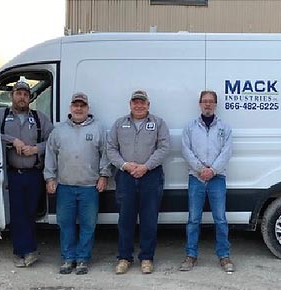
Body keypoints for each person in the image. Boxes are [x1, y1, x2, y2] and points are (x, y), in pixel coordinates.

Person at [44, 92, 112, 275]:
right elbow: (50, 156)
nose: (79, 108)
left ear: (88, 108)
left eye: (82, 105)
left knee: (88, 225)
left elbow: (105, 155)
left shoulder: (98, 129)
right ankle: (68, 259)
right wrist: (49, 178)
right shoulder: (58, 131)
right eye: (76, 105)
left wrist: (104, 175)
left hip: (89, 187)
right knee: (65, 224)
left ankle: (82, 259)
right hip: (65, 186)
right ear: (70, 108)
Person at [107, 90, 170, 274]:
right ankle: (124, 258)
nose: (139, 105)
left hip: (151, 175)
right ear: (130, 104)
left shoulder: (158, 123)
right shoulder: (119, 124)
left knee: (149, 219)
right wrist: (125, 165)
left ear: (148, 105)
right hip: (125, 176)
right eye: (135, 102)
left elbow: (164, 147)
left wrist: (146, 166)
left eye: (142, 102)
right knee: (125, 219)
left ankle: (147, 258)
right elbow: (111, 148)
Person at [0, 81, 53, 267]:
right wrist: (12, 140)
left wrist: (36, 149)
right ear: (11, 96)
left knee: (30, 213)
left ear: (30, 98)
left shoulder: (39, 118)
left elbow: (53, 141)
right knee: (16, 214)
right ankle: (23, 251)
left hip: (33, 175)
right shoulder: (2, 115)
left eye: (25, 94)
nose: (22, 97)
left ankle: (27, 250)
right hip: (11, 174)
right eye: (18, 93)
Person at [179, 90, 234, 273]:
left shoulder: (224, 127)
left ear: (216, 104)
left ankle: (224, 256)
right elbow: (186, 150)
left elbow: (226, 151)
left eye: (211, 101)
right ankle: (191, 255)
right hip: (196, 178)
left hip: (217, 178)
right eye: (204, 101)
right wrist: (200, 169)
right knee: (193, 220)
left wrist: (213, 170)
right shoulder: (190, 127)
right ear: (200, 104)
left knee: (220, 219)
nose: (207, 104)